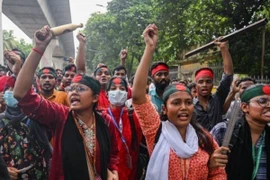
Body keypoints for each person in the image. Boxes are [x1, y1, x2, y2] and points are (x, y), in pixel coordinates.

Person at [13, 25, 119, 180]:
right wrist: (39, 48)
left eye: (81, 89)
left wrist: (113, 171)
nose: (74, 92)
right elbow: (21, 94)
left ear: (95, 98)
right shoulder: (61, 116)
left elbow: (114, 153)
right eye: (71, 89)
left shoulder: (105, 121)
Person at [132, 24, 226, 180]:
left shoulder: (205, 138)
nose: (184, 107)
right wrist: (149, 48)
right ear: (164, 109)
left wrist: (211, 167)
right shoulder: (155, 131)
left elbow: (218, 173)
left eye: (188, 102)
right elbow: (137, 97)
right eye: (176, 103)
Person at [211, 84, 270, 179]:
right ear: (244, 107)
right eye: (262, 101)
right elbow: (199, 166)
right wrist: (209, 163)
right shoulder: (224, 131)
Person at [106, 77, 142, 180]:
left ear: (127, 94)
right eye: (113, 88)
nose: (117, 92)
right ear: (107, 94)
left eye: (122, 89)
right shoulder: (101, 117)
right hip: (108, 171)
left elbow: (136, 144)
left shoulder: (133, 116)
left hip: (129, 169)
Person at [193, 38, 234, 131]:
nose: (204, 85)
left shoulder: (218, 99)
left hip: (218, 145)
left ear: (212, 84)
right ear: (196, 85)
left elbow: (228, 75)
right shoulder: (190, 106)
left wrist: (223, 48)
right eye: (200, 82)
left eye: (208, 81)